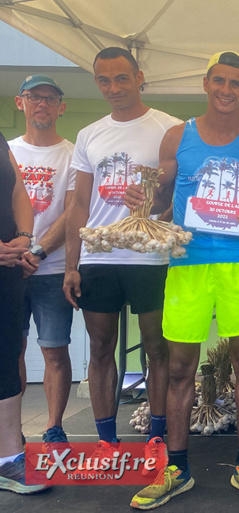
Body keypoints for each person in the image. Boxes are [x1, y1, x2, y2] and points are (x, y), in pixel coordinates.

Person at [127, 51, 239, 509]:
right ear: (206, 83)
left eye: (236, 83)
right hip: (186, 265)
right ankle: (177, 468)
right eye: (219, 81)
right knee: (177, 368)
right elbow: (161, 202)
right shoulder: (178, 136)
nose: (226, 90)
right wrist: (142, 201)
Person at [63, 48, 176, 459]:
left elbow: (177, 195)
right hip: (99, 255)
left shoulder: (168, 128)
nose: (114, 88)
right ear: (97, 82)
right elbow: (78, 204)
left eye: (122, 78)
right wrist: (71, 265)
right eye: (104, 80)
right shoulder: (89, 135)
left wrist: (157, 210)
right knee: (100, 348)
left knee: (156, 347)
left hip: (149, 255)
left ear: (139, 77)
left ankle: (157, 435)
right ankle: (106, 439)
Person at [10, 74, 75, 447]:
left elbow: (71, 212)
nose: (42, 104)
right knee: (11, 349)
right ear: (21, 102)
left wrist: (37, 251)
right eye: (34, 97)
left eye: (50, 98)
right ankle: (11, 430)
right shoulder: (9, 152)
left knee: (54, 349)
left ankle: (54, 428)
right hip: (8, 270)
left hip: (51, 269)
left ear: (61, 107)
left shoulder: (70, 153)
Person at [0, 131, 46, 494]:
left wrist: (25, 236)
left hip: (7, 267)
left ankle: (9, 459)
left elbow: (18, 190)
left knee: (6, 353)